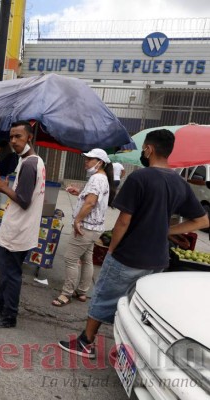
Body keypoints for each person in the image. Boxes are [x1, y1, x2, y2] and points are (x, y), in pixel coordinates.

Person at [58, 129, 209, 359]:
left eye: (144, 149)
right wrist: (168, 230)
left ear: (149, 149)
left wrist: (111, 250)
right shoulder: (179, 182)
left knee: (104, 297)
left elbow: (123, 221)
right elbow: (202, 219)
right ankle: (126, 351)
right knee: (136, 305)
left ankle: (85, 342)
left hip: (128, 255)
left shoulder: (140, 177)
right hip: (158, 259)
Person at [0, 121, 46, 328]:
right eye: (11, 137)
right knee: (6, 271)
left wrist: (3, 188)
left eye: (18, 136)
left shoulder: (30, 163)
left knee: (11, 274)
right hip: (19, 227)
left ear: (29, 137)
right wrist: (3, 188)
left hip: (18, 230)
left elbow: (24, 199)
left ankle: (9, 315)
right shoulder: (30, 160)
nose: (13, 141)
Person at [52, 148, 116, 307]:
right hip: (95, 228)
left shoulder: (97, 179)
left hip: (86, 227)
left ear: (100, 162)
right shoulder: (101, 178)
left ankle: (66, 293)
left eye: (90, 159)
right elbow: (91, 197)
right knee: (87, 259)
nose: (86, 162)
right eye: (86, 159)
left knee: (70, 258)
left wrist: (77, 221)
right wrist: (79, 192)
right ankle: (82, 291)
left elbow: (90, 203)